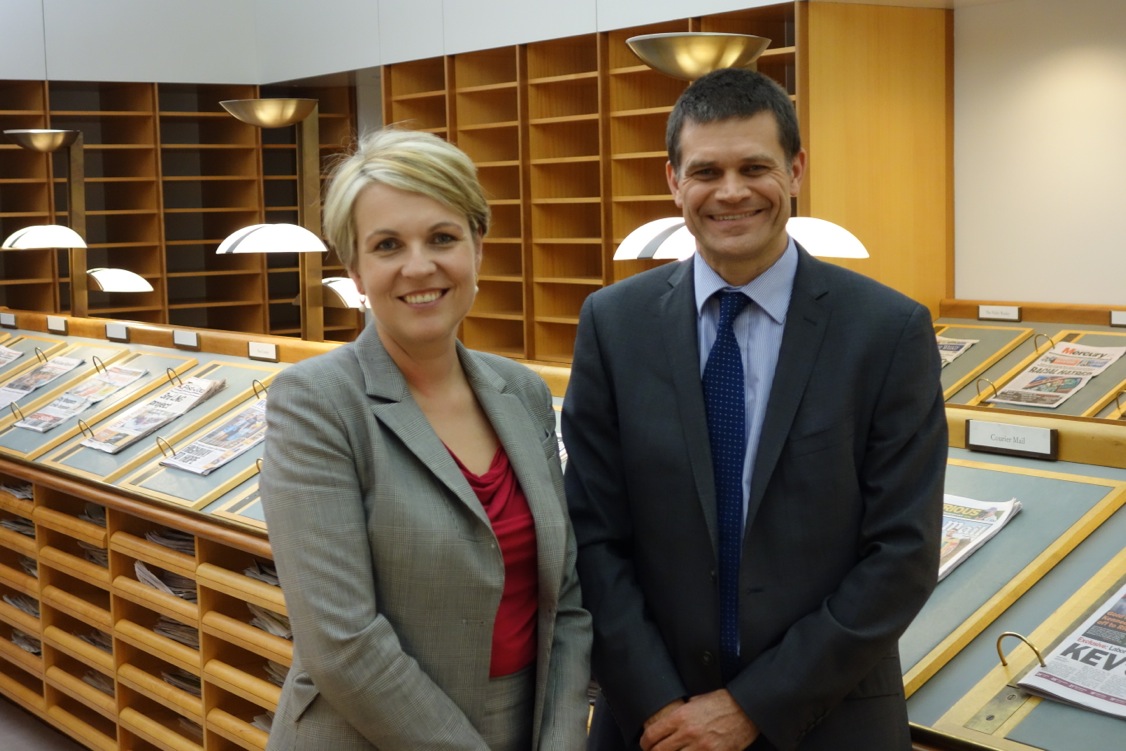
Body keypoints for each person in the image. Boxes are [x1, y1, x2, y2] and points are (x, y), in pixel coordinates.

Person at [562, 67, 947, 751]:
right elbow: (592, 535)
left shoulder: (886, 331)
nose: (732, 191)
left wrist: (750, 706)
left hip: (828, 718)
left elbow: (902, 555)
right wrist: (656, 703)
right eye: (706, 170)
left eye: (755, 166)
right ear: (673, 181)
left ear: (796, 169)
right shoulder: (612, 325)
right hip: (653, 723)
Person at [260, 127, 592, 751]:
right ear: (355, 270)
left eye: (442, 237)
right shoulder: (317, 402)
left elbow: (566, 599)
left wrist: (561, 740)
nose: (420, 266)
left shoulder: (519, 393)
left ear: (477, 248)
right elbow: (342, 643)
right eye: (388, 245)